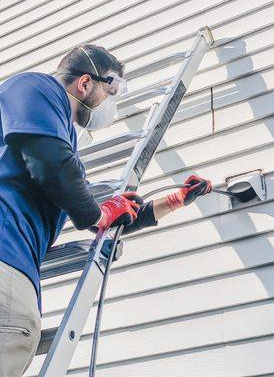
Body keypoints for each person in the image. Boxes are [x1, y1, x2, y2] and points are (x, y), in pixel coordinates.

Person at [0, 44, 211, 376]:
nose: (110, 104)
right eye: (110, 91)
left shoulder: (58, 150)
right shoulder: (36, 88)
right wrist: (98, 213)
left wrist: (171, 202)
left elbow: (100, 215)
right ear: (85, 83)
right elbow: (59, 173)